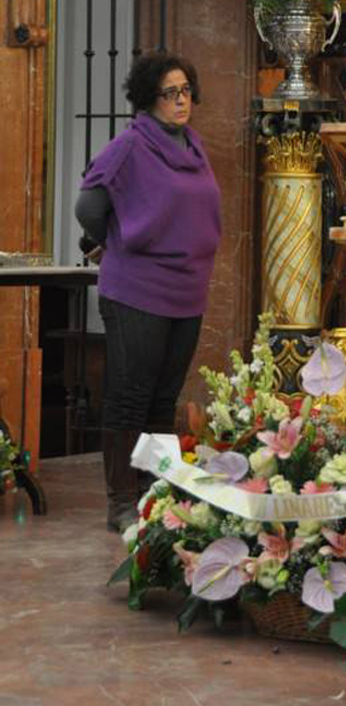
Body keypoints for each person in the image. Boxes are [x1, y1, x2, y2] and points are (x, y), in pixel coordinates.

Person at [75, 53, 222, 532]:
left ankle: (153, 493)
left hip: (186, 291)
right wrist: (115, 241)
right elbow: (88, 207)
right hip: (136, 290)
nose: (181, 101)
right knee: (129, 398)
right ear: (147, 98)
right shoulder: (130, 147)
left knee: (163, 400)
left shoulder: (193, 146)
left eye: (186, 91)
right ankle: (121, 500)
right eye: (169, 93)